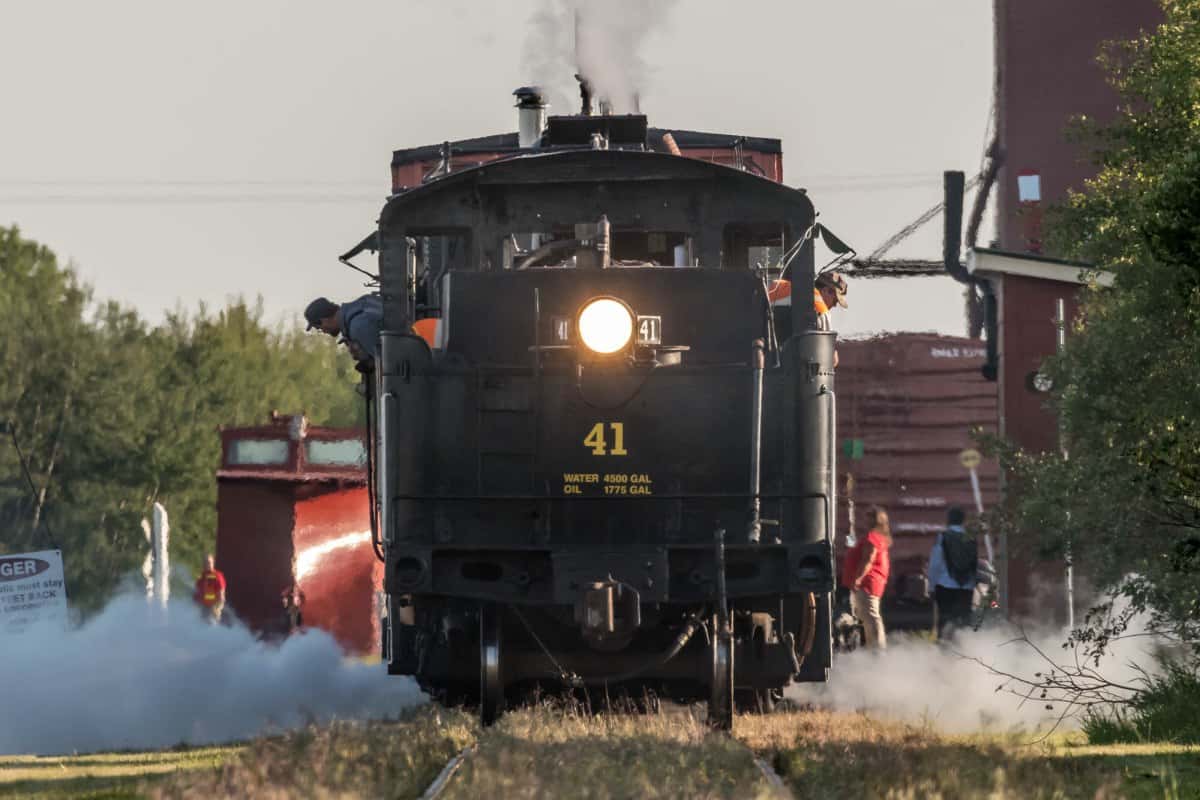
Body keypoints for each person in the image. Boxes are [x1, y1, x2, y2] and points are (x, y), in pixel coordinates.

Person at [928, 506, 978, 639]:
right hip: (966, 588)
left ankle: (945, 652)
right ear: (963, 520)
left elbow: (935, 564)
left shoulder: (943, 537)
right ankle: (964, 651)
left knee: (945, 622)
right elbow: (974, 564)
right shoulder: (971, 538)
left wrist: (931, 586)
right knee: (963, 623)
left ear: (948, 520)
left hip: (946, 586)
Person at [849, 506, 891, 650]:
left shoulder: (872, 538)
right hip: (871, 583)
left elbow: (868, 559)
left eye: (869, 516)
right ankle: (875, 649)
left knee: (871, 618)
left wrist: (858, 578)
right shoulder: (878, 537)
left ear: (876, 519)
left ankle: (877, 652)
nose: (865, 519)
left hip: (867, 584)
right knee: (869, 618)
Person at [305, 295, 383, 364]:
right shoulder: (363, 303)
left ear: (323, 320)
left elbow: (389, 364)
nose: (324, 332)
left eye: (319, 328)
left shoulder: (357, 327)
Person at [194, 554, 227, 625]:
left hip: (213, 608)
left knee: (212, 625)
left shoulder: (217, 576)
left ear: (213, 563)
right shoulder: (202, 577)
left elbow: (222, 597)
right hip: (204, 607)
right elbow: (198, 592)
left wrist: (216, 609)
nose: (207, 564)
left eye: (209, 562)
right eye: (205, 562)